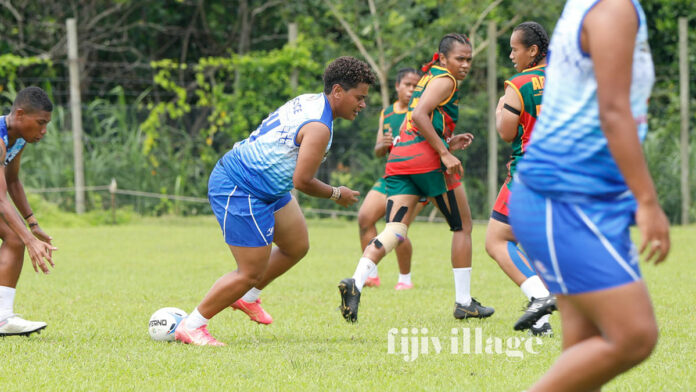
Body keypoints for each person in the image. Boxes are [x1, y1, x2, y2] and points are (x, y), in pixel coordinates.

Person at [508, 0, 669, 390]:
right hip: (564, 197)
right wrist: (647, 202)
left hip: (583, 198)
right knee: (634, 335)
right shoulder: (613, 8)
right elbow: (613, 112)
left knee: (584, 355)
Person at [174, 56, 374, 346]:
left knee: (296, 246)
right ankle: (192, 326)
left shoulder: (312, 101)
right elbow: (302, 181)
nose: (363, 104)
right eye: (359, 97)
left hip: (267, 187)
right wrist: (335, 193)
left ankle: (248, 297)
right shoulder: (320, 127)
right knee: (250, 271)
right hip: (241, 187)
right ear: (338, 92)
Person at [338, 33, 494, 323]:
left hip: (400, 160)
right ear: (444, 58)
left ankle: (356, 283)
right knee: (462, 227)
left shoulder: (428, 77)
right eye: (460, 58)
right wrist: (444, 154)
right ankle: (463, 302)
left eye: (469, 59)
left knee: (396, 230)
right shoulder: (446, 79)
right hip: (427, 162)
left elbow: (419, 120)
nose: (465, 64)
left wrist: (448, 142)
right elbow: (421, 115)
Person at [486, 21, 555, 336]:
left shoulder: (519, 84)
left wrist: (501, 109)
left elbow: (506, 133)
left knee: (497, 239)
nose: (511, 54)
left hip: (528, 174)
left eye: (515, 49)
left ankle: (540, 298)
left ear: (533, 50)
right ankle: (542, 323)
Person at [358, 68, 423, 290]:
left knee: (396, 229)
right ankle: (371, 276)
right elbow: (377, 151)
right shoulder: (386, 114)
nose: (411, 89)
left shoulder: (421, 111)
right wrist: (382, 144)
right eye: (407, 84)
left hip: (414, 181)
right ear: (397, 86)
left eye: (416, 86)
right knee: (365, 218)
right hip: (390, 177)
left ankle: (405, 280)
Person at [0, 87, 57, 337]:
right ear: (20, 114)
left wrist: (32, 225)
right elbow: (0, 199)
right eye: (41, 123)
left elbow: (12, 182)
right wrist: (29, 240)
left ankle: (2, 318)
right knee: (18, 238)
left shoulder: (19, 139)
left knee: (14, 239)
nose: (44, 130)